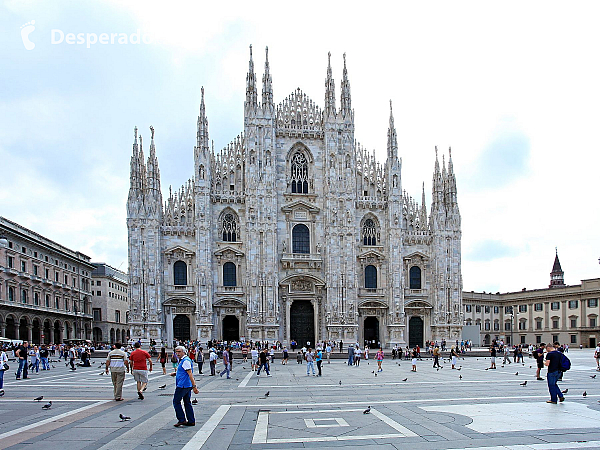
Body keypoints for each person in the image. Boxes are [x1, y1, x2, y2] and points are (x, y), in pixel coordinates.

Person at [171, 346, 199, 427]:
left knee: (176, 401)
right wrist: (176, 374)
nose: (177, 353)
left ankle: (182, 419)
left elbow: (190, 374)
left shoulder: (185, 361)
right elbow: (185, 372)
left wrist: (194, 387)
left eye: (179, 351)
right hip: (186, 385)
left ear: (184, 352)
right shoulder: (183, 360)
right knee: (187, 402)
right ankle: (191, 420)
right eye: (176, 352)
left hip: (183, 385)